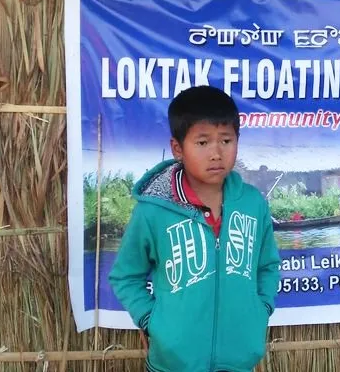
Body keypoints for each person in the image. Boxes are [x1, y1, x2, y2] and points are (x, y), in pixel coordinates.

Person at [108, 85, 281, 372]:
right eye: (202, 143)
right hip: (172, 363)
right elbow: (126, 276)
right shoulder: (153, 210)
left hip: (239, 361)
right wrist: (152, 322)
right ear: (178, 148)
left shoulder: (252, 204)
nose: (216, 153)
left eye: (226, 140)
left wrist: (260, 311)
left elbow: (267, 266)